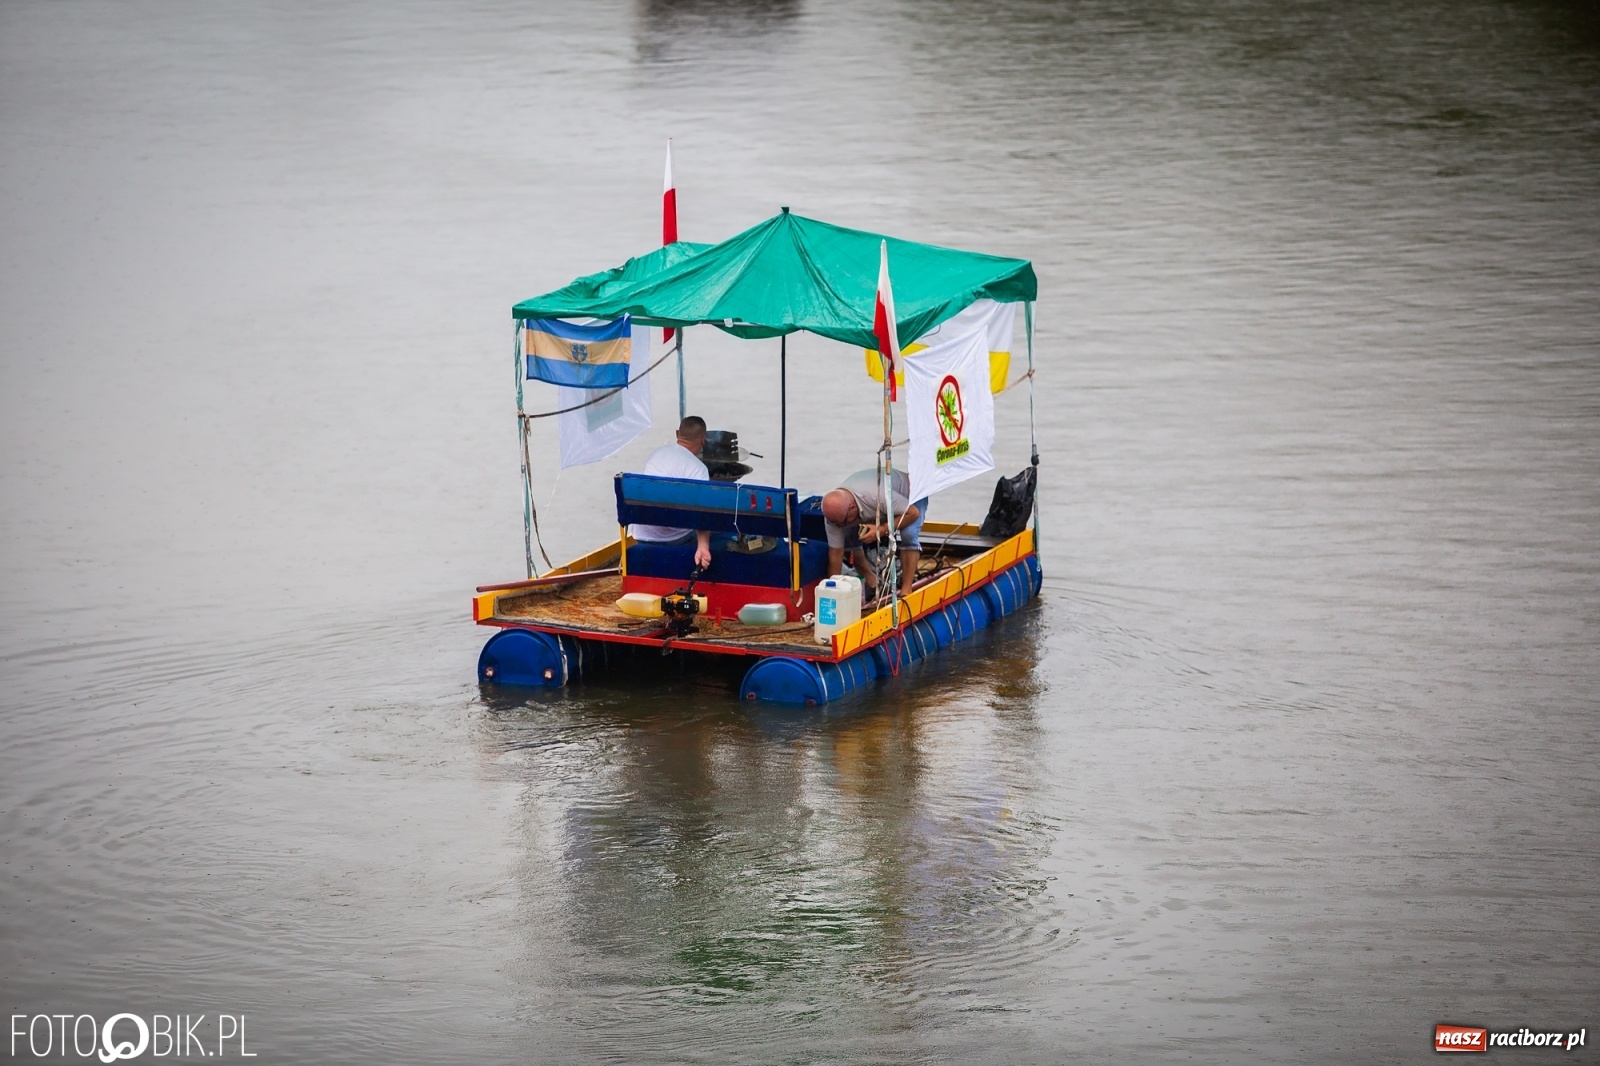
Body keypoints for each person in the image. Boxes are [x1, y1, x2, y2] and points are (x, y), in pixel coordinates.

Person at [821, 468, 927, 598]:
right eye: (836, 524)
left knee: (908, 534)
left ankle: (906, 589)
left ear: (852, 508)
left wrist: (881, 530)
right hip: (877, 505)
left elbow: (913, 513)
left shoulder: (877, 496)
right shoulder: (834, 516)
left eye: (843, 522)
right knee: (847, 538)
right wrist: (832, 591)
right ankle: (873, 582)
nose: (839, 526)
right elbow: (835, 554)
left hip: (910, 494)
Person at [630, 416, 713, 570]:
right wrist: (703, 546)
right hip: (673, 539)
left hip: (642, 534)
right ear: (703, 439)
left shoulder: (657, 453)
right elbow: (703, 512)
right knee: (715, 529)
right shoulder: (698, 469)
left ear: (677, 434)